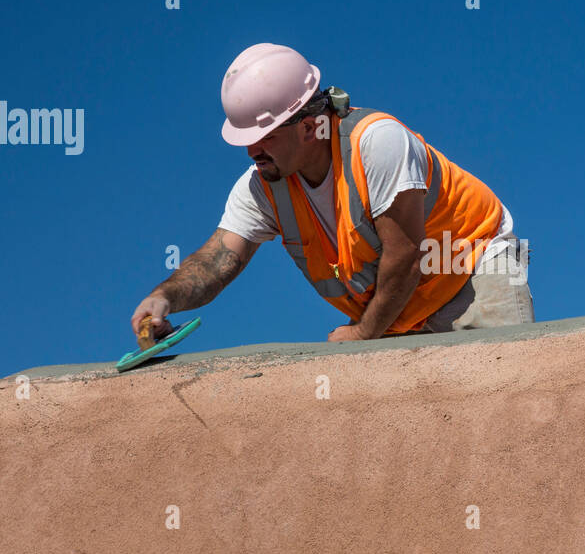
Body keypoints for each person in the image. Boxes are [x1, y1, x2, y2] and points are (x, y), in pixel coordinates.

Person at [131, 43, 534, 344]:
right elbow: (217, 261)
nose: (253, 151)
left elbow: (407, 258)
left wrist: (362, 335)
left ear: (308, 127)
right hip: (397, 312)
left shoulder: (375, 143)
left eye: (265, 138)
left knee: (507, 407)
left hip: (474, 275)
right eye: (246, 142)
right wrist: (164, 297)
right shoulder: (263, 186)